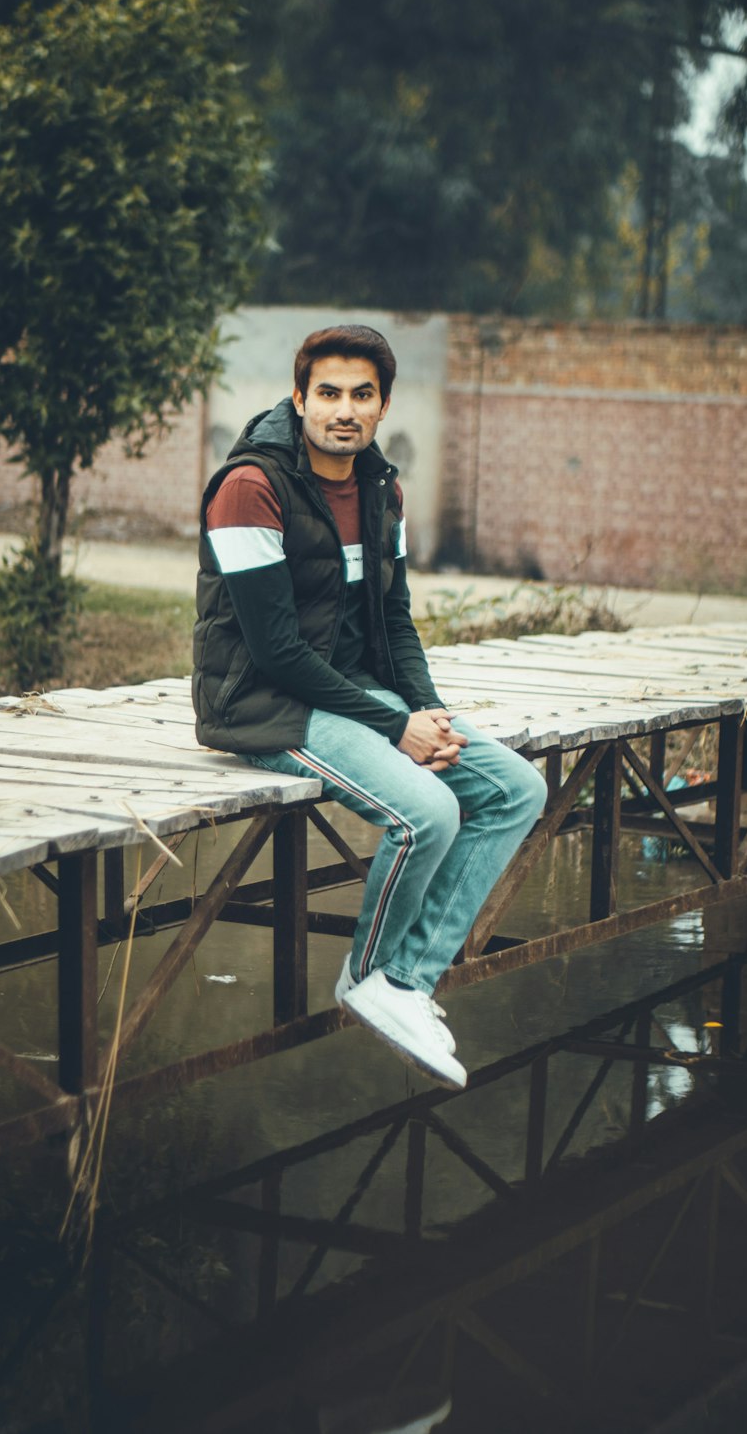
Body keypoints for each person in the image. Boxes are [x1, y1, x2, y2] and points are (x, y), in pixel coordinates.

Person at [193, 324, 546, 1089]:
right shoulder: (249, 487)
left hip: (355, 695)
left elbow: (395, 620)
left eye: (362, 395)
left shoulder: (382, 489)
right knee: (428, 813)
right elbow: (276, 652)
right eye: (328, 393)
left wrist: (430, 713)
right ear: (299, 398)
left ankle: (405, 981)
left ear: (383, 406)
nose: (343, 410)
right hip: (262, 704)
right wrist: (396, 727)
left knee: (518, 789)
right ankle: (365, 977)